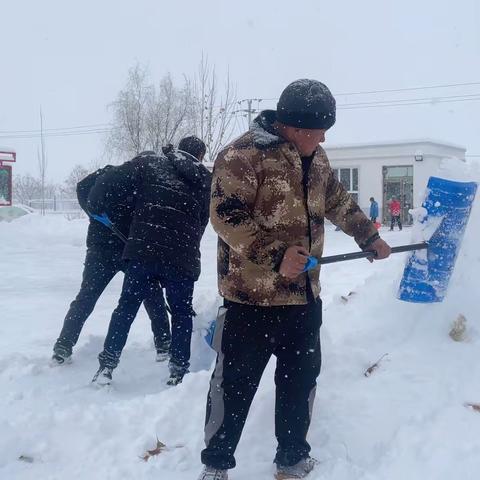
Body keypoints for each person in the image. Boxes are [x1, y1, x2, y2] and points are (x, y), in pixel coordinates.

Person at [198, 79, 391, 480]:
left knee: (299, 385)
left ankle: (291, 458)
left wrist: (367, 235)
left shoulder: (316, 158)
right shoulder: (243, 155)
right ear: (291, 125)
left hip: (303, 300)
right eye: (317, 130)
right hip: (250, 300)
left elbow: (337, 199)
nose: (322, 138)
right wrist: (274, 256)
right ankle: (216, 465)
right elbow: (225, 215)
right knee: (233, 388)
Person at [88, 137, 211, 386]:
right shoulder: (205, 181)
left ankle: (107, 366)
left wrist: (97, 206)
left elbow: (107, 180)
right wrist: (184, 248)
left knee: (126, 309)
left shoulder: (150, 165)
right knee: (181, 313)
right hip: (182, 258)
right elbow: (202, 222)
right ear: (200, 155)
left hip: (144, 251)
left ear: (178, 150)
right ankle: (178, 371)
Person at [52, 159, 170, 365]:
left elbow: (82, 188)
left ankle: (63, 345)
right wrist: (94, 214)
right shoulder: (127, 177)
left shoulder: (109, 176)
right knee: (151, 294)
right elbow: (81, 188)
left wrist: (93, 212)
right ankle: (164, 343)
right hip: (120, 249)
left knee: (87, 297)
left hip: (111, 248)